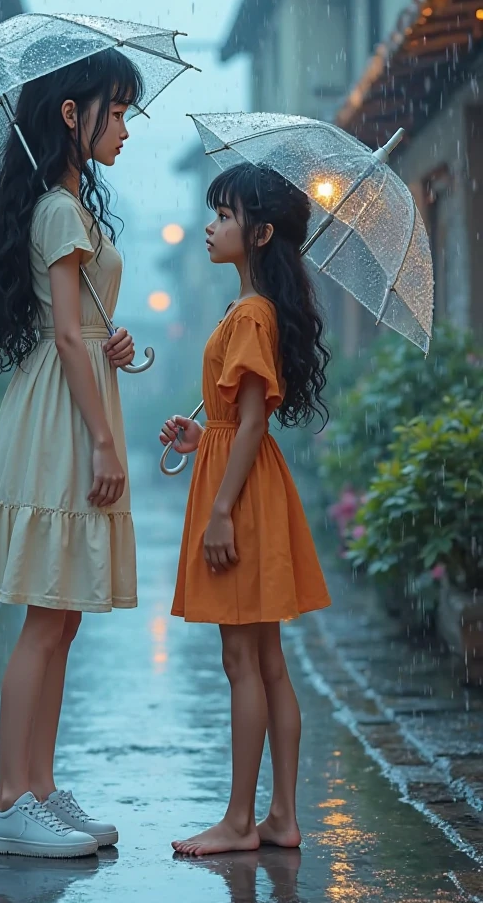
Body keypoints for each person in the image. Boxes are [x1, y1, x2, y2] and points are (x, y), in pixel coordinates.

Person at [0, 47, 143, 858]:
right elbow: (64, 333)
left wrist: (114, 342)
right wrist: (104, 439)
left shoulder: (68, 205)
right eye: (118, 109)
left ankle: (37, 787)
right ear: (72, 113)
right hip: (63, 417)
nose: (126, 128)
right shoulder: (60, 211)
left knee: (62, 616)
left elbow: (83, 329)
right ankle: (8, 800)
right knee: (45, 614)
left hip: (74, 396)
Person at [160, 162, 332, 857]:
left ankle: (239, 821)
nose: (210, 225)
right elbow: (243, 420)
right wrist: (206, 438)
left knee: (243, 659)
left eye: (225, 216)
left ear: (259, 234)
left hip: (244, 494)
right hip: (249, 480)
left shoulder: (253, 314)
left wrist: (221, 510)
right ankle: (281, 817)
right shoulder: (252, 309)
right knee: (266, 661)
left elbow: (257, 422)